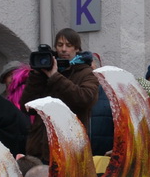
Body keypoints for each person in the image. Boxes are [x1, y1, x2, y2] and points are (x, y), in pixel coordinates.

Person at [23, 30, 103, 161]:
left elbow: (85, 99)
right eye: (60, 45)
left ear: (77, 48)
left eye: (69, 45)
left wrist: (55, 77)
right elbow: (26, 107)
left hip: (69, 148)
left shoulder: (86, 73)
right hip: (40, 148)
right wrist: (37, 76)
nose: (64, 49)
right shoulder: (44, 71)